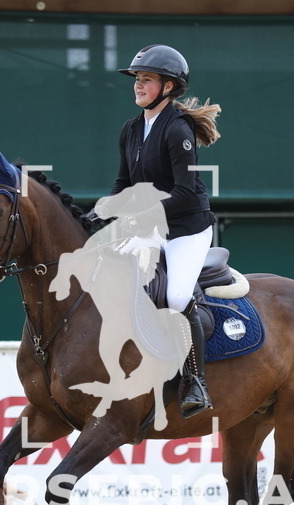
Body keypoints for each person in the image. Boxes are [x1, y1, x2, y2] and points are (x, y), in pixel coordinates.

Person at [106, 44, 222, 419]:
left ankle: (194, 381)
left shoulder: (177, 129)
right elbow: (124, 184)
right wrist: (101, 214)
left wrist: (141, 219)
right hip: (151, 227)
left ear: (169, 86)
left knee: (173, 297)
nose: (138, 85)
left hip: (187, 229)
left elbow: (185, 192)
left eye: (146, 80)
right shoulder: (130, 129)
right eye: (137, 79)